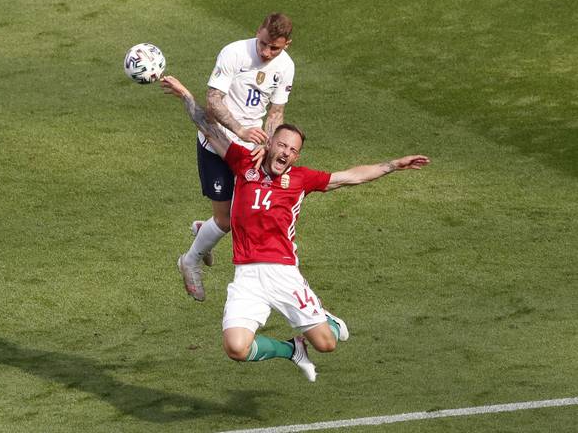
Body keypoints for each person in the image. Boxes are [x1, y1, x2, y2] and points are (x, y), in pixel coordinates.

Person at [161, 75, 430, 381]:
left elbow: (350, 176)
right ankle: (291, 350)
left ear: (297, 156)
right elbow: (208, 128)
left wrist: (393, 164)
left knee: (328, 344)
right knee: (236, 348)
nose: (287, 153)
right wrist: (184, 94)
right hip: (247, 276)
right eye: (283, 145)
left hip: (283, 273)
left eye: (293, 150)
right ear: (270, 142)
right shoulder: (242, 162)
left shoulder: (302, 179)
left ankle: (322, 316)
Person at [178, 12, 296, 302]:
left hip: (251, 151)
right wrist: (240, 130)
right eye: (264, 44)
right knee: (226, 221)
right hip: (217, 144)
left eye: (275, 48)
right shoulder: (234, 52)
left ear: (287, 45)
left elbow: (276, 112)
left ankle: (202, 231)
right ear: (258, 31)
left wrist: (268, 144)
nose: (267, 52)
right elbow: (213, 100)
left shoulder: (286, 67)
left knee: (246, 216)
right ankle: (190, 260)